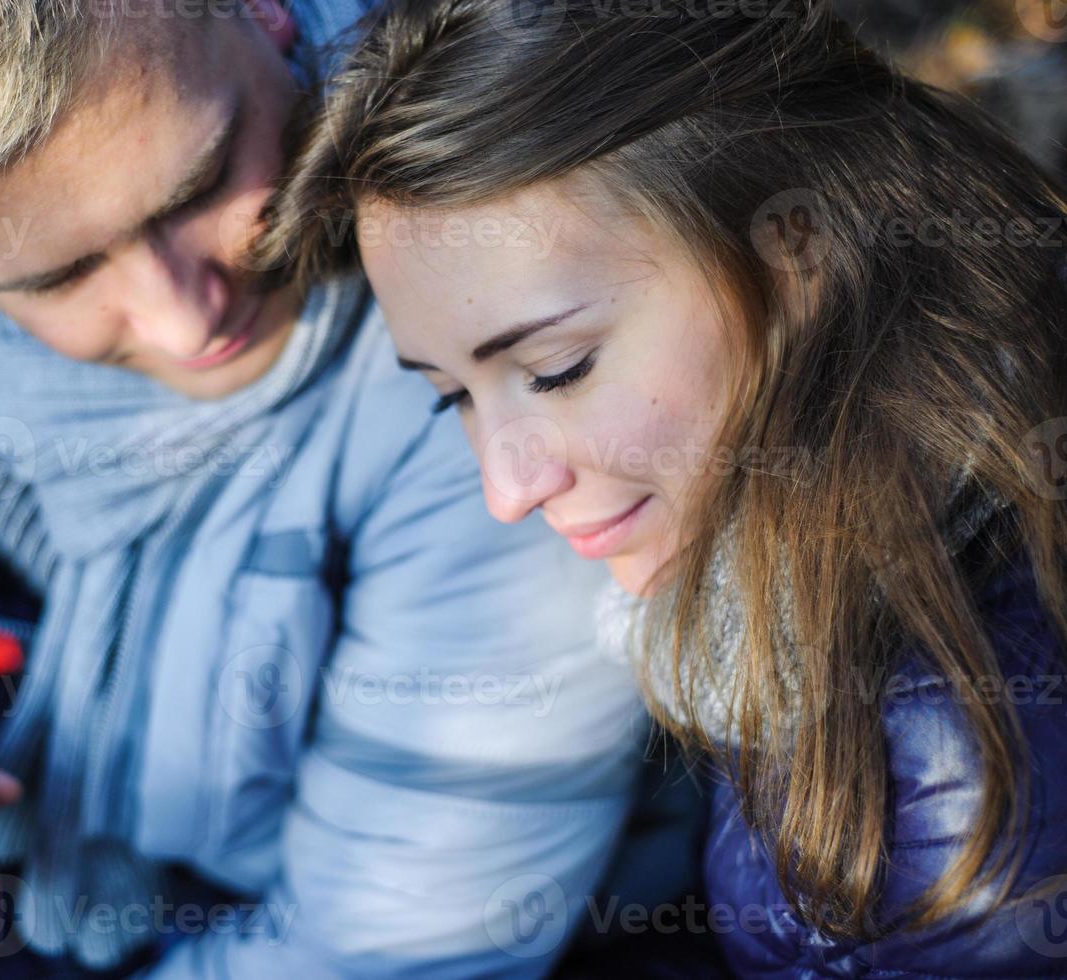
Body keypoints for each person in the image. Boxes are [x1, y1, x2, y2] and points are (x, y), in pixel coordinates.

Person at [0, 0, 686, 977]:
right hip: (54, 806)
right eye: (60, 277)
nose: (184, 318)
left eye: (201, 183)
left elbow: (396, 941)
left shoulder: (467, 345)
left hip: (314, 913)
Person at [266, 0, 1067, 974]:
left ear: (801, 249)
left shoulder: (946, 804)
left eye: (559, 368)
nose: (506, 489)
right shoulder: (821, 596)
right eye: (454, 400)